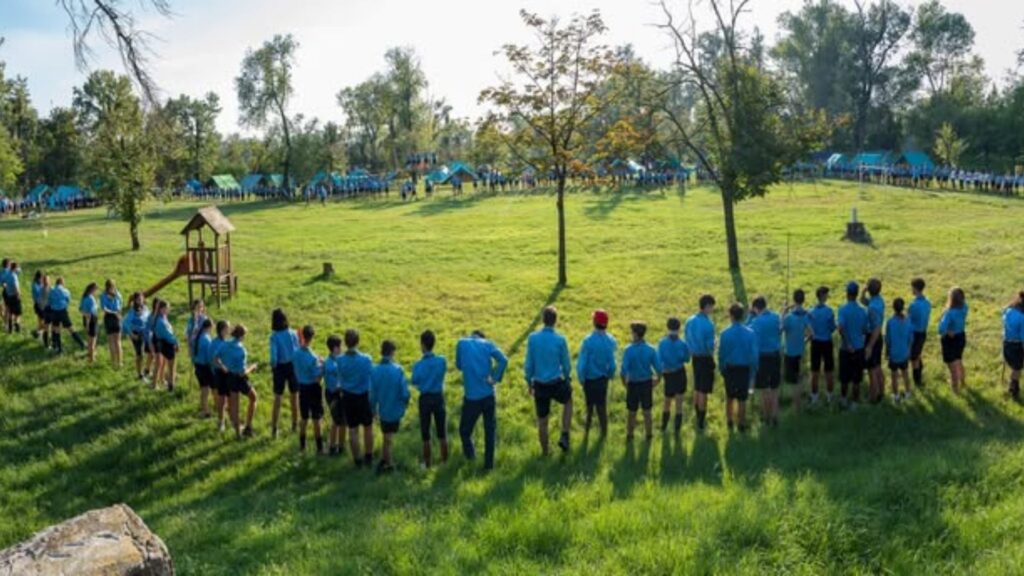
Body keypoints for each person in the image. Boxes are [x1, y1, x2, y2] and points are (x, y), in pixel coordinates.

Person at [455, 330, 508, 471]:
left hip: (472, 398)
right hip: (489, 395)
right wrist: (494, 377)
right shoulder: (488, 345)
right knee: (489, 431)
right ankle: (488, 466)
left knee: (465, 431)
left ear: (472, 335)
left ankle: (471, 457)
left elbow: (459, 365)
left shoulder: (461, 343)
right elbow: (503, 360)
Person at [524, 306, 573, 455]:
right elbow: (566, 364)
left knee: (542, 421)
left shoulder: (533, 338)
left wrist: (528, 381)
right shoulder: (560, 340)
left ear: (542, 320)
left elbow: (528, 364)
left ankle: (545, 452)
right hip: (556, 382)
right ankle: (564, 433)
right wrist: (567, 377)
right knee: (568, 401)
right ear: (555, 321)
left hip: (539, 384)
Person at [337, 329, 376, 467]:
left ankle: (357, 460)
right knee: (368, 427)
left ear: (345, 343)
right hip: (363, 396)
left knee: (352, 429)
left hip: (348, 397)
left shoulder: (340, 360)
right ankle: (369, 456)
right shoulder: (366, 359)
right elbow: (371, 377)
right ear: (358, 342)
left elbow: (340, 378)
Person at [370, 340, 410, 473]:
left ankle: (384, 460)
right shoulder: (398, 370)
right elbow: (404, 392)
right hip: (395, 409)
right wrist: (405, 403)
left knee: (387, 436)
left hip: (383, 409)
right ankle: (389, 464)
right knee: (389, 438)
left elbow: (372, 394)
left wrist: (373, 410)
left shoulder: (375, 371)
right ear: (393, 352)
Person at [575, 309, 617, 437]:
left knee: (589, 406)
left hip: (589, 379)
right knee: (602, 406)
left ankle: (586, 431)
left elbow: (582, 363)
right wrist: (610, 374)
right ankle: (604, 432)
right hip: (603, 379)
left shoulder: (588, 341)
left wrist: (581, 378)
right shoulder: (611, 341)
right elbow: (613, 363)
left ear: (594, 322)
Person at [718, 303, 758, 432]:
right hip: (744, 368)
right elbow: (753, 354)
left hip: (730, 368)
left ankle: (729, 421)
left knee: (729, 397)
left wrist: (722, 368)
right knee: (742, 398)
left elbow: (721, 354)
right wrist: (753, 371)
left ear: (731, 316)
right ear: (743, 316)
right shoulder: (750, 333)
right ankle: (741, 423)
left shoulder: (724, 334)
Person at [214, 323, 259, 438]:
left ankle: (238, 433)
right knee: (254, 398)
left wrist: (224, 367)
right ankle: (248, 427)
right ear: (242, 336)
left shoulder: (225, 344)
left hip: (229, 376)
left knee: (234, 405)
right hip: (240, 378)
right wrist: (252, 367)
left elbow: (215, 358)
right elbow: (242, 372)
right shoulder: (241, 350)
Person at [620, 321, 662, 441]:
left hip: (633, 383)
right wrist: (658, 380)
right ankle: (649, 435)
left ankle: (630, 435)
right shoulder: (651, 349)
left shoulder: (628, 350)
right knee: (647, 411)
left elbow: (623, 371)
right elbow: (658, 368)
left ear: (635, 334)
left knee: (631, 412)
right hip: (646, 383)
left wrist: (624, 383)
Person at [412, 329, 448, 467]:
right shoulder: (442, 361)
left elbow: (414, 381)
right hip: (438, 397)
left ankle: (427, 464)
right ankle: (444, 462)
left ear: (422, 345)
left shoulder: (418, 365)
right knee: (442, 432)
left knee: (425, 434)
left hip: (425, 399)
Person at [685, 294, 716, 430]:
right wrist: (715, 344)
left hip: (694, 357)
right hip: (705, 357)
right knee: (703, 390)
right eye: (712, 307)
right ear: (707, 306)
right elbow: (710, 346)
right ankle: (701, 421)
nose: (712, 310)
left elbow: (686, 338)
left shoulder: (689, 321)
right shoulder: (708, 324)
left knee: (697, 387)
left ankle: (697, 414)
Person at [748, 296, 782, 426]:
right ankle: (775, 417)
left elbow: (747, 330)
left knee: (764, 389)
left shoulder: (756, 321)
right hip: (775, 356)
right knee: (774, 389)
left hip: (762, 358)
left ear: (756, 308)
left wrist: (750, 316)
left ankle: (766, 417)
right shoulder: (775, 317)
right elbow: (779, 330)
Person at [268, 309, 301, 438]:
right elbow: (297, 349)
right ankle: (294, 425)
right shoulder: (293, 333)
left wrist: (273, 366)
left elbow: (273, 357)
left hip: (280, 368)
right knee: (295, 397)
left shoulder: (274, 337)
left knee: (278, 398)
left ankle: (275, 428)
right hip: (292, 366)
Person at [293, 325, 325, 454]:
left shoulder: (295, 353)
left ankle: (302, 445)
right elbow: (317, 378)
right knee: (316, 419)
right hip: (313, 388)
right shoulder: (312, 357)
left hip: (302, 387)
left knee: (304, 417)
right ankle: (319, 448)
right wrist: (323, 368)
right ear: (312, 337)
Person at [837, 282, 868, 409]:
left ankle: (843, 400)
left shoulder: (842, 309)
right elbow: (865, 330)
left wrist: (847, 343)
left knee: (844, 378)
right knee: (856, 379)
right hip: (859, 347)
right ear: (856, 294)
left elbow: (840, 328)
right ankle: (854, 403)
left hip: (845, 349)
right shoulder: (862, 311)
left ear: (847, 294)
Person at [657, 317, 690, 433]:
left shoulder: (662, 343)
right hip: (679, 373)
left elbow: (658, 360)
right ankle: (677, 428)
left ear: (667, 328)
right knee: (679, 402)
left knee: (667, 401)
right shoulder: (682, 344)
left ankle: (664, 426)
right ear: (679, 328)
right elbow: (687, 359)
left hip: (668, 374)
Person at [782, 289, 812, 412]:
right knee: (798, 377)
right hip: (800, 351)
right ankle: (798, 403)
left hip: (789, 352)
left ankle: (796, 405)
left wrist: (783, 311)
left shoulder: (789, 317)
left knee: (793, 380)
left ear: (794, 300)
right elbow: (811, 333)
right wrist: (804, 341)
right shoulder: (805, 315)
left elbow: (781, 328)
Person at [808, 286, 837, 405]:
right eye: (826, 294)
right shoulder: (829, 311)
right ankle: (830, 396)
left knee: (815, 371)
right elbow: (832, 327)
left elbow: (809, 329)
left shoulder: (811, 311)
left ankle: (814, 397)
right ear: (823, 296)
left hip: (815, 343)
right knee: (829, 370)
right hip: (826, 342)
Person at [938, 287, 968, 394]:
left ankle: (955, 390)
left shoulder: (949, 313)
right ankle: (963, 382)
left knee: (952, 368)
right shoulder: (965, 307)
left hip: (950, 340)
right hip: (961, 336)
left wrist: (948, 332)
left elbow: (941, 329)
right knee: (959, 360)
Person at [861, 279, 886, 403]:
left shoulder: (873, 308)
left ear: (869, 290)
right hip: (879, 338)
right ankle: (881, 392)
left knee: (871, 370)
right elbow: (863, 301)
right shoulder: (878, 300)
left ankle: (873, 398)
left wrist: (869, 346)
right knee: (877, 367)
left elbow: (876, 328)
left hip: (873, 338)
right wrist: (863, 292)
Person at [323, 334, 348, 456]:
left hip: (339, 393)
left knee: (343, 421)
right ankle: (333, 447)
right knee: (337, 422)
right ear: (335, 348)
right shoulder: (331, 366)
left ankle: (341, 445)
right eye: (340, 346)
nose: (342, 349)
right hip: (334, 395)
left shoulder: (335, 360)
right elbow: (334, 386)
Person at [885, 298, 914, 402]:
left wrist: (887, 352)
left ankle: (896, 395)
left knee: (894, 375)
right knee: (905, 373)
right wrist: (909, 351)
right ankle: (907, 392)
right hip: (904, 352)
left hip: (894, 353)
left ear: (893, 308)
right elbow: (911, 338)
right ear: (903, 308)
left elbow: (888, 340)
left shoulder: (890, 322)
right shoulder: (908, 321)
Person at [48, 277, 84, 354]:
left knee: (56, 329)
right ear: (62, 283)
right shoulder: (65, 291)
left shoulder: (51, 291)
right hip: (62, 311)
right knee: (70, 328)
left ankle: (59, 348)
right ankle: (81, 343)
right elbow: (68, 300)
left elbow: (50, 301)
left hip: (54, 312)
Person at [122, 292, 152, 380]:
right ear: (135, 300)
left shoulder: (145, 308)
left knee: (151, 352)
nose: (141, 300)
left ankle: (147, 370)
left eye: (142, 299)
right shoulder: (132, 311)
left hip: (146, 333)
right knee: (140, 355)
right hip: (136, 334)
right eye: (139, 299)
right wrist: (131, 334)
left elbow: (149, 318)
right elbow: (125, 323)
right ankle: (140, 374)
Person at [908, 278, 932, 388]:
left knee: (914, 358)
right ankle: (920, 375)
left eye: (912, 287)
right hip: (923, 332)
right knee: (917, 354)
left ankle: (917, 381)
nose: (911, 289)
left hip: (915, 334)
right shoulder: (927, 302)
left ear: (915, 288)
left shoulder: (913, 305)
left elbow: (909, 320)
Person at [211, 320, 232, 432]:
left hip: (228, 373)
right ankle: (221, 421)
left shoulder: (227, 341)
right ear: (222, 330)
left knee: (230, 398)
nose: (229, 330)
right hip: (220, 374)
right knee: (222, 399)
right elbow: (214, 360)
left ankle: (231, 419)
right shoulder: (215, 343)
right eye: (227, 328)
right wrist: (223, 367)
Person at [1002, 291, 1024, 401]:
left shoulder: (1008, 310)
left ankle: (1014, 384)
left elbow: (1003, 316)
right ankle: (1013, 387)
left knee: (1014, 366)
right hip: (1017, 346)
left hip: (1006, 343)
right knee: (1017, 368)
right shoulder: (1022, 318)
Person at [153, 301, 179, 391]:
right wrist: (176, 342)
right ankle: (171, 385)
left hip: (166, 343)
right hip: (167, 343)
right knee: (171, 365)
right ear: (160, 309)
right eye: (166, 308)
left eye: (168, 308)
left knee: (170, 365)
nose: (168, 310)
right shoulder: (161, 321)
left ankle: (170, 382)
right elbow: (168, 335)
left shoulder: (163, 317)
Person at [193, 318, 215, 418]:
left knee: (203, 389)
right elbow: (209, 357)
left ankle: (205, 410)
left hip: (198, 367)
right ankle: (219, 407)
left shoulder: (197, 337)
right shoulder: (207, 339)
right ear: (209, 327)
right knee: (213, 389)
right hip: (205, 367)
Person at [100, 279, 123, 368]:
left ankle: (117, 361)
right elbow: (119, 307)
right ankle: (117, 361)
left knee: (114, 341)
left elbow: (104, 309)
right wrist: (116, 313)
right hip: (115, 317)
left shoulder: (104, 295)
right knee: (115, 341)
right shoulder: (118, 294)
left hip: (110, 318)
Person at [79, 282, 100, 363]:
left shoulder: (84, 297)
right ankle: (91, 358)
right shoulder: (91, 299)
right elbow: (90, 314)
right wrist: (88, 325)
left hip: (85, 319)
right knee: (93, 340)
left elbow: (80, 309)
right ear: (92, 290)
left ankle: (90, 353)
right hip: (91, 320)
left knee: (89, 338)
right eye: (96, 290)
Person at [31, 272, 51, 348]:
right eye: (42, 278)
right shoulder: (37, 286)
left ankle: (37, 332)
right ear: (39, 278)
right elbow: (39, 298)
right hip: (40, 306)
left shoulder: (37, 284)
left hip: (39, 305)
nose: (42, 279)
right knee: (43, 323)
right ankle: (39, 333)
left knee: (40, 321)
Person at [3, 261, 22, 334]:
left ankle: (10, 329)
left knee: (10, 312)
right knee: (18, 313)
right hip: (14, 296)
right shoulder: (14, 276)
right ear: (15, 268)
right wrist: (18, 295)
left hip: (9, 295)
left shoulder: (7, 274)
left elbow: (5, 283)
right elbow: (16, 287)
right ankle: (17, 325)